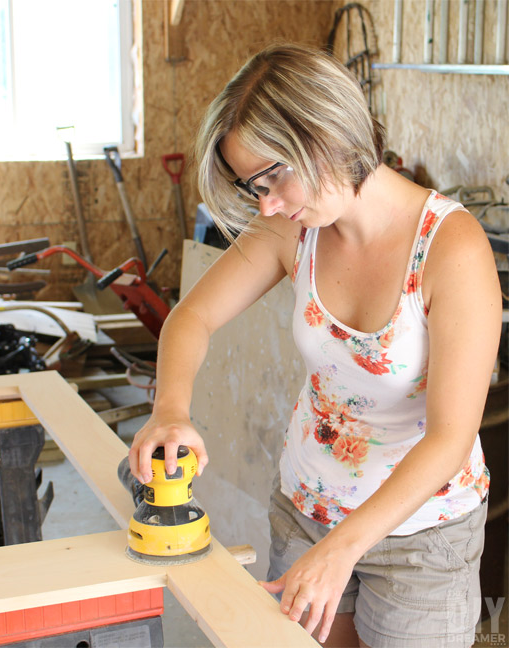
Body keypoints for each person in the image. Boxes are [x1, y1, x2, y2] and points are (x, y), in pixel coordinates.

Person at [128, 42, 501, 647]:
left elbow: (450, 438)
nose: (269, 203)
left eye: (276, 174)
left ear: (327, 131)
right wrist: (170, 412)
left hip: (421, 536)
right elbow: (190, 318)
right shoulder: (291, 228)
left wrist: (342, 550)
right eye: (255, 185)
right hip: (308, 509)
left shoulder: (450, 248)